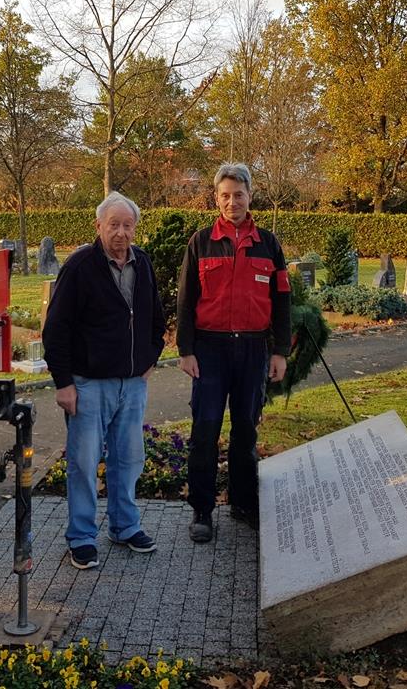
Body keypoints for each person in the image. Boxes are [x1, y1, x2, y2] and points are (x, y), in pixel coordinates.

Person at [42, 191, 167, 570]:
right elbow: (56, 329)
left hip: (132, 385)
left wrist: (149, 359)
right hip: (88, 385)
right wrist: (63, 383)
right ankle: (81, 537)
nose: (121, 232)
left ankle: (124, 527)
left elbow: (156, 320)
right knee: (83, 462)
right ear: (98, 226)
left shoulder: (142, 263)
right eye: (113, 224)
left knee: (128, 460)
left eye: (127, 225)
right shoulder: (80, 266)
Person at [176, 163, 291, 543]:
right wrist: (186, 350)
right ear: (216, 198)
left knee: (246, 431)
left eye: (238, 194)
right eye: (224, 195)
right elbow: (186, 299)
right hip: (209, 351)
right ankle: (202, 511)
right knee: (204, 430)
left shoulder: (269, 245)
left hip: (253, 350)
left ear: (249, 196)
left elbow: (282, 302)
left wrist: (279, 351)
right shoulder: (201, 241)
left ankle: (243, 504)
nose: (232, 202)